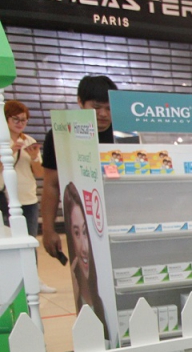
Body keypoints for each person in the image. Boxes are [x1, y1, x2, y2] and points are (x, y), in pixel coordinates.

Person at [40, 75, 118, 261]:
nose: (104, 114)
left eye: (109, 108)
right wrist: (48, 229)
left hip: (118, 220)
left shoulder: (122, 133)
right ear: (80, 102)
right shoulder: (61, 134)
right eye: (97, 107)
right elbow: (51, 184)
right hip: (84, 224)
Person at [2, 102, 52, 292]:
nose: (20, 123)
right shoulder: (2, 141)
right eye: (16, 119)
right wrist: (10, 153)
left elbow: (40, 173)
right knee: (10, 241)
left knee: (30, 240)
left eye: (24, 120)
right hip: (6, 199)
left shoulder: (29, 140)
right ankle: (12, 283)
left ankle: (33, 280)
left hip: (28, 198)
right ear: (6, 118)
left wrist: (33, 157)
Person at [63, 182, 108, 334]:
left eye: (85, 232)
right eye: (76, 233)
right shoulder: (80, 301)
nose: (84, 248)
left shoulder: (101, 302)